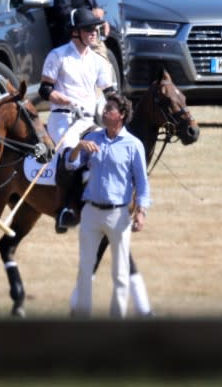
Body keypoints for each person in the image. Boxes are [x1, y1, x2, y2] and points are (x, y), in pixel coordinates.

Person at [66, 93, 151, 318]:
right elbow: (71, 165)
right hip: (91, 213)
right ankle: (82, 319)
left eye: (109, 110)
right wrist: (77, 148)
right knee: (85, 269)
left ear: (121, 115)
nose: (104, 112)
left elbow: (142, 182)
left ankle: (117, 322)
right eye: (104, 109)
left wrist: (141, 211)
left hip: (119, 215)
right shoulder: (93, 138)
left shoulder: (134, 145)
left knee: (121, 273)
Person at [38, 7, 115, 233]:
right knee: (71, 154)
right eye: (89, 29)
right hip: (63, 119)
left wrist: (121, 108)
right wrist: (68, 102)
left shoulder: (99, 61)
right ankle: (64, 210)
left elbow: (109, 92)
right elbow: (45, 90)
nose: (94, 32)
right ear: (75, 32)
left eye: (96, 28)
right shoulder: (58, 56)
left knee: (104, 151)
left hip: (88, 121)